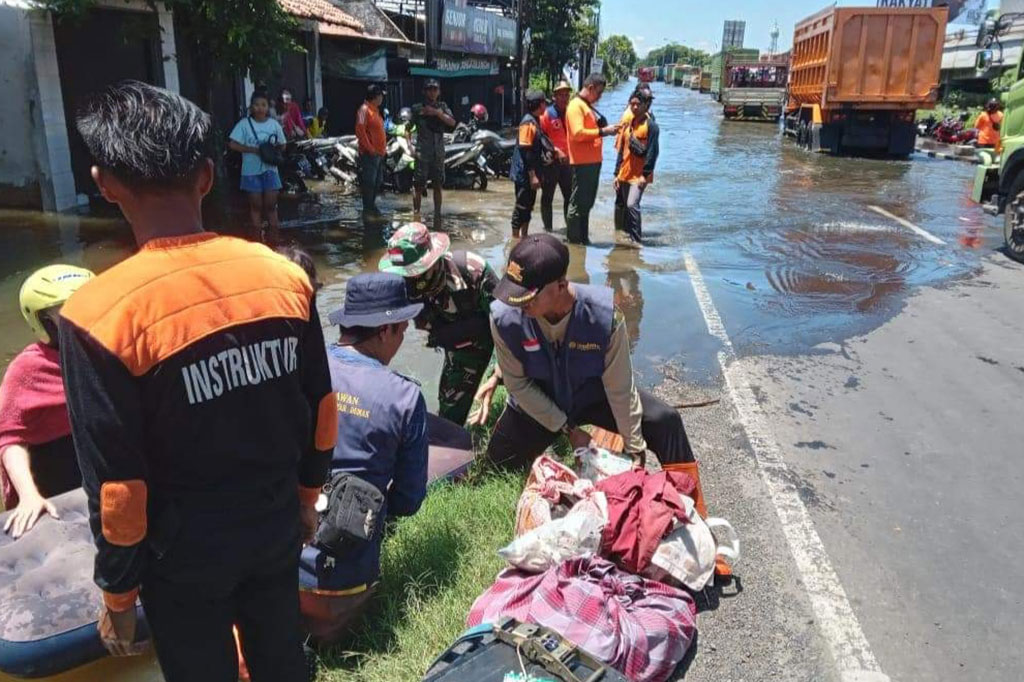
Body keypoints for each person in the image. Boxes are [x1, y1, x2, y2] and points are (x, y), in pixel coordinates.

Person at [62, 81, 336, 682]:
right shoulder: (282, 277)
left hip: (181, 556)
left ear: (104, 183)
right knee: (281, 660)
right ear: (208, 176)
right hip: (273, 522)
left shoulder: (96, 316)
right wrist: (306, 500)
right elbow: (320, 410)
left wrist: (118, 597)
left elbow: (117, 487)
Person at [483, 234, 696, 473]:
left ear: (561, 286)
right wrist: (569, 429)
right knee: (496, 467)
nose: (518, 303)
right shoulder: (503, 319)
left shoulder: (605, 318)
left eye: (527, 296)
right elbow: (518, 386)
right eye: (513, 292)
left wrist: (635, 447)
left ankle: (686, 496)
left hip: (593, 395)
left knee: (666, 421)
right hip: (539, 399)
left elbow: (620, 389)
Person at [298, 273, 428, 644]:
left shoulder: (303, 367)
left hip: (274, 572)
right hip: (343, 591)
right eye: (402, 331)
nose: (401, 341)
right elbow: (408, 500)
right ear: (385, 330)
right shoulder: (404, 398)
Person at [0, 265, 93, 539]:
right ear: (44, 322)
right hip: (54, 471)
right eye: (68, 312)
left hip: (96, 459)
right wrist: (29, 495)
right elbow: (9, 439)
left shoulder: (110, 354)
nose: (84, 320)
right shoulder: (29, 370)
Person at [380, 223, 498, 426]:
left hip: (498, 342)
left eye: (412, 274)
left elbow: (509, 325)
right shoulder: (401, 287)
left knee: (511, 400)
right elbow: (381, 332)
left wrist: (497, 375)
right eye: (403, 275)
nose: (407, 281)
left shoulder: (472, 271)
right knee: (449, 414)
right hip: (460, 350)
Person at [565, 74, 620, 244]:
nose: (600, 97)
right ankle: (574, 244)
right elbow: (577, 133)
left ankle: (583, 240)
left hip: (591, 163)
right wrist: (604, 131)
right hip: (582, 163)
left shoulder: (586, 106)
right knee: (576, 206)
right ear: (590, 88)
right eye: (599, 92)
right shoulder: (576, 106)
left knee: (586, 204)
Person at [229, 90, 286, 243]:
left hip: (270, 170)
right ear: (251, 107)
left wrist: (271, 150)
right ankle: (257, 240)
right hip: (250, 172)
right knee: (255, 206)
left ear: (268, 107)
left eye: (263, 105)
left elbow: (283, 144)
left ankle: (274, 240)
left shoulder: (274, 124)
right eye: (256, 105)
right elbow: (232, 144)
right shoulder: (244, 124)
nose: (260, 108)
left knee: (271, 206)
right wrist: (253, 150)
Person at [613, 88, 660, 243]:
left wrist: (644, 175)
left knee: (632, 204)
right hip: (625, 172)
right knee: (626, 208)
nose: (634, 107)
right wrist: (616, 174)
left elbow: (653, 152)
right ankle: (626, 237)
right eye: (631, 104)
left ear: (645, 106)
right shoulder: (628, 124)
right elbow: (622, 150)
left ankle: (636, 240)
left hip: (639, 175)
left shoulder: (651, 126)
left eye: (637, 104)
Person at [510, 89, 554, 239]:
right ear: (539, 105)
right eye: (544, 104)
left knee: (528, 207)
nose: (546, 108)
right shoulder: (527, 123)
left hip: (531, 173)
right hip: (525, 174)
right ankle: (515, 241)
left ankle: (525, 236)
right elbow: (526, 151)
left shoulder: (535, 121)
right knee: (521, 207)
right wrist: (532, 176)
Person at [411, 79, 456, 218]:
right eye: (429, 89)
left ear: (439, 91)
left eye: (435, 89)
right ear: (424, 91)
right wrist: (409, 147)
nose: (432, 92)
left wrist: (437, 113)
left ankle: (437, 215)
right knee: (418, 185)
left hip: (438, 153)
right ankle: (416, 214)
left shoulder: (443, 107)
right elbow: (407, 128)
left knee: (438, 185)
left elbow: (452, 122)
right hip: (422, 153)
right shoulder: (417, 108)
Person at [539, 81, 573, 232]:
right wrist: (554, 150)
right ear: (554, 97)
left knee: (569, 197)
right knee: (547, 198)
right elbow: (541, 138)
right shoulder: (547, 115)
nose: (564, 98)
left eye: (566, 95)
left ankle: (570, 229)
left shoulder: (572, 113)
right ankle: (548, 230)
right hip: (551, 162)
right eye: (561, 95)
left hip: (568, 163)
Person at [355, 84, 388, 215]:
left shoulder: (375, 110)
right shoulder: (364, 110)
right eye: (381, 96)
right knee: (369, 182)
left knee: (377, 181)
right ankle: (368, 208)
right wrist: (370, 148)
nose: (382, 98)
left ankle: (371, 205)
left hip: (379, 154)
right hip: (370, 154)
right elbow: (360, 131)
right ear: (375, 96)